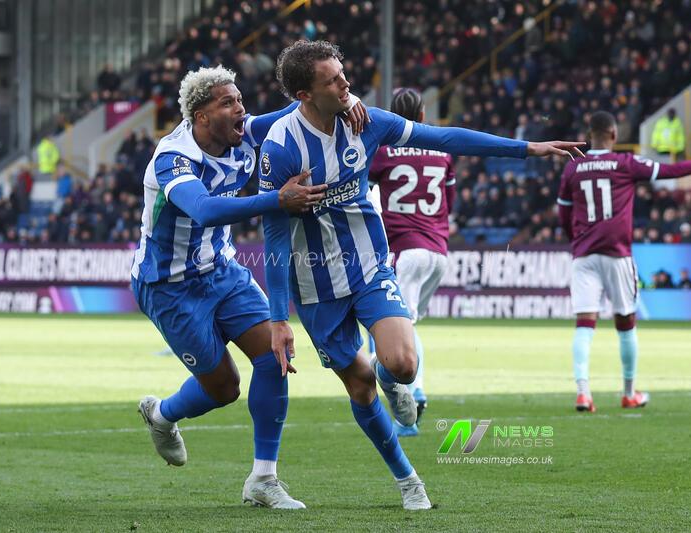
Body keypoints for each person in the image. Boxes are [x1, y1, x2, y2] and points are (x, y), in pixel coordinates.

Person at [259, 40, 583, 510]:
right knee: (359, 386)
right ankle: (408, 478)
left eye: (343, 73)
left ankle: (393, 383)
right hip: (316, 284)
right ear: (304, 94)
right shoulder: (281, 148)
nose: (346, 84)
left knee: (404, 364)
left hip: (370, 265)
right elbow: (274, 235)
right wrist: (278, 317)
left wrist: (528, 148)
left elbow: (445, 138)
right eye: (333, 80)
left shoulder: (367, 121)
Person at [131, 65, 368, 509]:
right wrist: (277, 199)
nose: (241, 109)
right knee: (223, 388)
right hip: (168, 286)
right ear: (202, 117)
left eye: (239, 99)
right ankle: (161, 415)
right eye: (228, 103)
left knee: (275, 354)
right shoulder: (173, 159)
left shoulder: (247, 133)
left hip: (222, 272)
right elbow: (202, 209)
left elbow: (301, 108)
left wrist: (348, 101)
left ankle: (263, 479)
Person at [557, 110, 691, 413]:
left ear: (589, 136)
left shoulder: (573, 169)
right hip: (617, 255)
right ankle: (629, 392)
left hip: (584, 255)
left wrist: (574, 241)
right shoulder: (625, 164)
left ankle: (582, 393)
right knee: (626, 324)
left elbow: (563, 212)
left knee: (584, 325)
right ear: (615, 135)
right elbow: (674, 171)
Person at [368, 87, 455, 437]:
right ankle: (412, 390)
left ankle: (414, 397)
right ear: (422, 116)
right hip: (439, 251)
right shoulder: (442, 153)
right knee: (408, 325)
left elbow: (360, 185)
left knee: (398, 328)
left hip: (407, 248)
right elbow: (448, 199)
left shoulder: (385, 153)